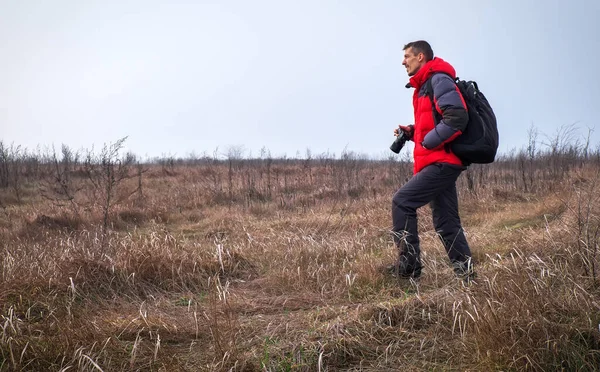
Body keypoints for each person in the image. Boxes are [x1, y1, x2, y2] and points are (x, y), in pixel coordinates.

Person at [390, 40, 474, 281]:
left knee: (402, 202)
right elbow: (437, 121)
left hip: (442, 161)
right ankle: (467, 276)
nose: (403, 61)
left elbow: (456, 117)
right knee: (447, 223)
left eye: (407, 56)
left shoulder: (438, 80)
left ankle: (408, 269)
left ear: (421, 57)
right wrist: (413, 132)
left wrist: (427, 141)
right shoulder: (425, 85)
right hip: (438, 160)